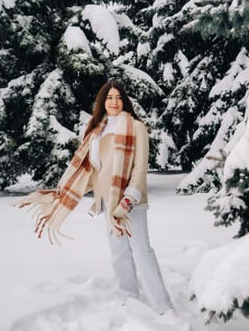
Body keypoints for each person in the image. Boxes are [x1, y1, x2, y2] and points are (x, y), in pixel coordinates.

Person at [16, 81, 174, 316]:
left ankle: (163, 306)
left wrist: (127, 201)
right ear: (102, 102)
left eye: (119, 97)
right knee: (119, 252)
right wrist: (65, 193)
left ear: (125, 101)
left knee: (142, 252)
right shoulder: (95, 131)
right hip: (108, 202)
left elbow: (140, 170)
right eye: (109, 97)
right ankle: (128, 297)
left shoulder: (136, 127)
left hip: (131, 201)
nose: (114, 102)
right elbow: (93, 170)